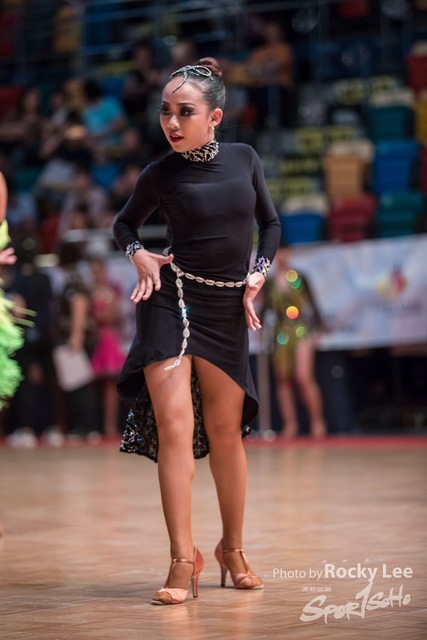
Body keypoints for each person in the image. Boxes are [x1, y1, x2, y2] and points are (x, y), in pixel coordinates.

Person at [113, 57, 281, 605]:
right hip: (171, 299)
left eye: (184, 112)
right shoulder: (159, 174)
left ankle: (232, 549)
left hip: (226, 307)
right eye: (165, 111)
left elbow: (270, 223)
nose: (171, 122)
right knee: (175, 430)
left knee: (227, 432)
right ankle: (182, 559)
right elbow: (123, 224)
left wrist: (258, 273)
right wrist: (138, 254)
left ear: (215, 117)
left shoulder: (245, 158)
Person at [263, 245, 328, 439]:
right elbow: (265, 308)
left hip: (300, 330)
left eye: (284, 252)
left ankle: (317, 422)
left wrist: (318, 328)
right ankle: (290, 424)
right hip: (280, 333)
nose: (281, 257)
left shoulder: (298, 277)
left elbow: (312, 304)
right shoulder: (270, 283)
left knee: (303, 376)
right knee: (283, 379)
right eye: (278, 253)